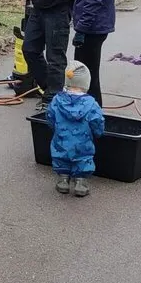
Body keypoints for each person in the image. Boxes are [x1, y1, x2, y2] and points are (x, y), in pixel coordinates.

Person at [47, 61, 105, 198]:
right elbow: (97, 121)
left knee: (61, 157)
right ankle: (80, 183)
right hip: (83, 143)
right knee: (83, 159)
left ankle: (63, 181)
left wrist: (55, 128)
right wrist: (98, 133)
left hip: (61, 140)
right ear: (86, 84)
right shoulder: (91, 104)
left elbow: (50, 116)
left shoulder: (57, 100)